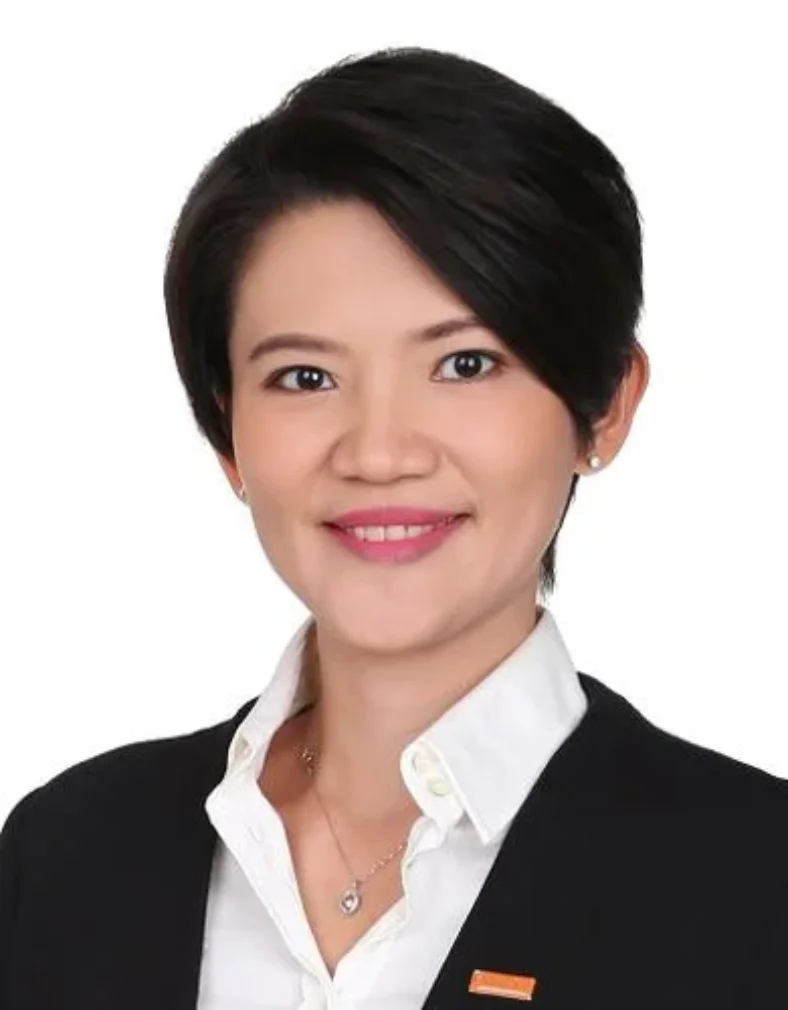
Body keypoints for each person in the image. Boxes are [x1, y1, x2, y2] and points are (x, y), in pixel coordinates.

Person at [1, 45, 786, 1010]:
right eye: (305, 377)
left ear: (605, 407)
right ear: (228, 436)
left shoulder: (758, 887)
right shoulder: (65, 859)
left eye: (465, 365)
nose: (378, 454)